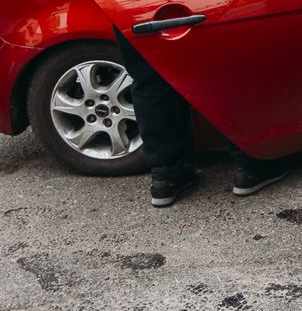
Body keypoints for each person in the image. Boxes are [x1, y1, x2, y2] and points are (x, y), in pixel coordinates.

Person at [113, 29, 289, 207]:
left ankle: (165, 177)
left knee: (150, 80)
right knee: (229, 66)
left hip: (129, 6)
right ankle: (250, 165)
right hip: (194, 2)